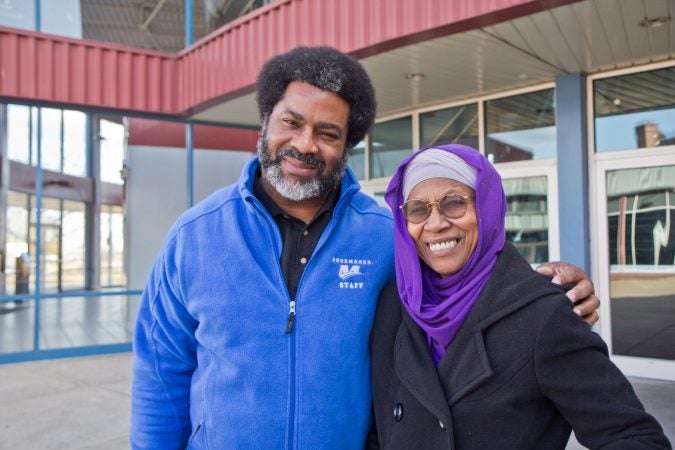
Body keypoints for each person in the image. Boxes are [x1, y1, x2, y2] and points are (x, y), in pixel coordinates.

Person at [131, 47, 599, 449]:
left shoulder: (385, 235)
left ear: (347, 144)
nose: (304, 144)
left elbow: (465, 281)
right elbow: (161, 372)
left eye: (327, 133)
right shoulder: (194, 236)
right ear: (266, 122)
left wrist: (550, 289)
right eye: (290, 122)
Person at [369, 144, 670, 449]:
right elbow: (378, 429)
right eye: (419, 209)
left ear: (487, 207)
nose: (435, 224)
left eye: (454, 203)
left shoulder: (543, 315)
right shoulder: (393, 304)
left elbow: (635, 438)